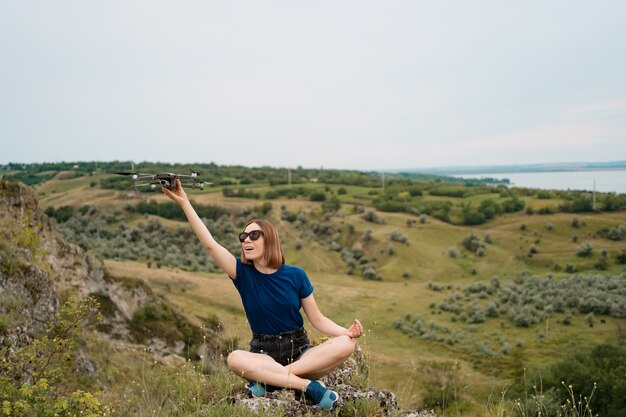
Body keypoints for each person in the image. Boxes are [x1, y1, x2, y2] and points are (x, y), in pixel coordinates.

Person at [163, 179, 363, 410]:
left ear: (270, 239)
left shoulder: (296, 275)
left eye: (254, 235)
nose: (246, 239)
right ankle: (309, 387)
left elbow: (317, 319)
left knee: (346, 345)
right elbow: (210, 245)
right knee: (234, 359)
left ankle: (270, 382)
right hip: (262, 352)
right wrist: (185, 202)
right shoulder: (242, 274)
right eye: (243, 237)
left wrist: (346, 332)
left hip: (300, 351)